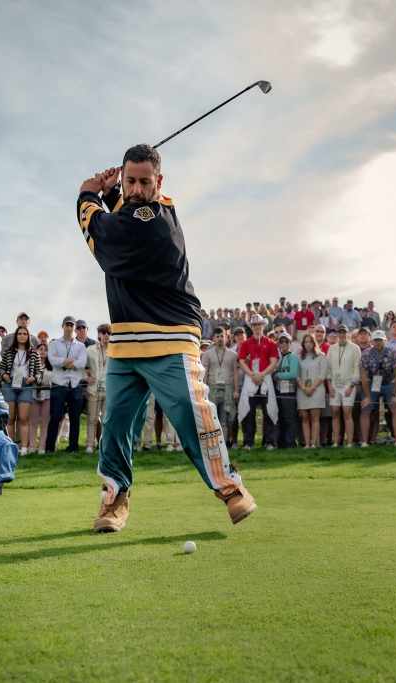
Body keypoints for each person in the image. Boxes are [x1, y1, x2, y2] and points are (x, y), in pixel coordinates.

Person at [77, 145, 255, 532]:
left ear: (160, 182)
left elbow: (106, 240)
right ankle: (115, 498)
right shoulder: (131, 210)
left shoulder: (154, 218)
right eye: (130, 181)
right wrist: (110, 195)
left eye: (144, 181)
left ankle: (230, 487)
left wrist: (89, 194)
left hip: (169, 335)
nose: (137, 189)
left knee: (191, 412)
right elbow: (119, 215)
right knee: (116, 426)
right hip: (126, 339)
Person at [0, 325, 42, 456]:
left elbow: (40, 372)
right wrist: (4, 375)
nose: (22, 335)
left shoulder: (34, 353)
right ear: (16, 336)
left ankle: (24, 448)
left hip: (26, 386)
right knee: (10, 418)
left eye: (25, 334)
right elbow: (1, 368)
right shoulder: (8, 352)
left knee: (23, 418)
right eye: (20, 333)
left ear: (28, 337)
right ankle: (9, 447)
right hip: (9, 384)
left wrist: (33, 378)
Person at [237, 314, 280, 450]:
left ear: (263, 326)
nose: (257, 327)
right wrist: (251, 374)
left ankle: (269, 441)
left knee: (268, 411)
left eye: (259, 325)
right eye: (254, 325)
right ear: (252, 327)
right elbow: (242, 361)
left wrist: (261, 374)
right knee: (249, 412)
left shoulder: (271, 343)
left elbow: (274, 362)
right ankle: (248, 442)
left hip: (265, 379)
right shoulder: (246, 343)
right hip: (251, 379)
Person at [46, 316, 87, 453]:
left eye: (71, 325)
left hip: (75, 384)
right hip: (59, 384)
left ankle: (73, 447)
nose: (69, 327)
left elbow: (82, 363)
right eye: (67, 325)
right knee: (56, 416)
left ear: (74, 328)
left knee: (75, 417)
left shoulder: (81, 346)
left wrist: (65, 362)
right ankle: (50, 447)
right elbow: (52, 360)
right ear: (62, 326)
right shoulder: (54, 343)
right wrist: (68, 361)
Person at [360, 330, 396, 446]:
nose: (378, 342)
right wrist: (368, 396)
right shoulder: (366, 354)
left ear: (385, 340)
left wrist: (395, 394)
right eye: (376, 340)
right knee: (366, 408)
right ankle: (364, 442)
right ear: (372, 341)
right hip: (373, 383)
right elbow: (363, 376)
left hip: (389, 382)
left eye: (380, 340)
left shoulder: (394, 352)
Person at [201, 327, 238, 448]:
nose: (220, 339)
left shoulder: (233, 354)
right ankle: (212, 443)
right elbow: (205, 373)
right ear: (213, 339)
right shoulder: (207, 354)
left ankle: (225, 442)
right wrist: (204, 390)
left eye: (222, 336)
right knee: (211, 417)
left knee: (226, 417)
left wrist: (236, 390)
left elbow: (235, 374)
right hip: (212, 388)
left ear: (226, 338)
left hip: (228, 388)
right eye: (217, 336)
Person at [327, 323, 361, 447]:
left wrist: (352, 385)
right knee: (335, 412)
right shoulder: (332, 348)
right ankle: (336, 441)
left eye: (344, 332)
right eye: (340, 332)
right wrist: (329, 386)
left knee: (347, 412)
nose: (342, 334)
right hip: (335, 384)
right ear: (337, 334)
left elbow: (357, 368)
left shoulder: (355, 348)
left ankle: (350, 442)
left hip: (348, 385)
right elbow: (328, 368)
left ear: (348, 334)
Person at [296, 333, 328, 449]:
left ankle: (314, 443)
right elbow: (297, 375)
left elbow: (322, 375)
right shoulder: (299, 358)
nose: (308, 344)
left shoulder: (321, 356)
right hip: (302, 390)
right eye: (306, 342)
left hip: (317, 390)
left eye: (310, 341)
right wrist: (304, 388)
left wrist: (312, 388)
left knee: (315, 417)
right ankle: (307, 444)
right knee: (304, 417)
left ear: (314, 343)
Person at [84, 324, 111, 453]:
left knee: (106, 420)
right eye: (103, 332)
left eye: (108, 333)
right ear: (99, 334)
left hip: (109, 390)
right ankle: (90, 445)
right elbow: (82, 367)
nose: (106, 335)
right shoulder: (90, 349)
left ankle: (105, 445)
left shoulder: (115, 350)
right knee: (92, 419)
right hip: (93, 389)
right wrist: (86, 377)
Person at [273, 334, 299, 448]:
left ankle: (291, 442)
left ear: (290, 344)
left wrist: (278, 375)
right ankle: (281, 442)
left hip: (289, 392)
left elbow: (293, 374)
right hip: (279, 392)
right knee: (281, 418)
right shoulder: (278, 358)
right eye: (281, 342)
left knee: (290, 418)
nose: (283, 344)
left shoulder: (293, 357)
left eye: (286, 342)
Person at [28, 341, 52, 453]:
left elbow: (51, 380)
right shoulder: (31, 364)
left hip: (47, 395)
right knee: (33, 421)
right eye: (40, 349)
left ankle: (42, 446)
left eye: (45, 349)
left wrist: (39, 379)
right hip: (34, 394)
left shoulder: (51, 366)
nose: (42, 352)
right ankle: (32, 446)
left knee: (45, 422)